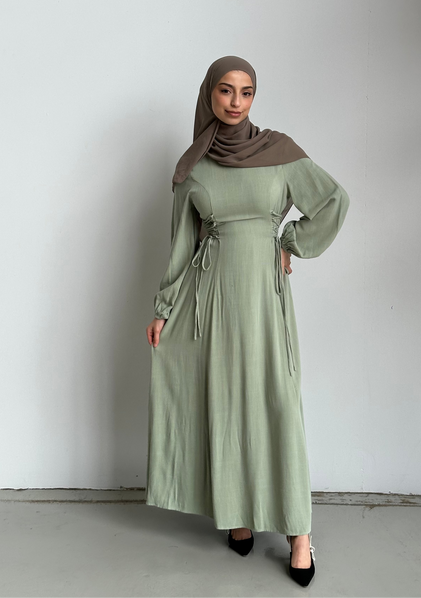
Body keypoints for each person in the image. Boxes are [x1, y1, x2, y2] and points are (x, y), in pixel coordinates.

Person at [145, 55, 350, 587]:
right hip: (210, 301)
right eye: (226, 90)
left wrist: (290, 241)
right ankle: (236, 513)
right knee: (224, 400)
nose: (236, 102)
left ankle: (300, 534)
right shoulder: (193, 167)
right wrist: (164, 309)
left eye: (247, 91)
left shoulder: (279, 152)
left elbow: (333, 200)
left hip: (262, 298)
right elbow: (181, 245)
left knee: (276, 401)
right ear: (208, 94)